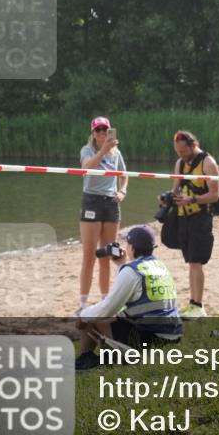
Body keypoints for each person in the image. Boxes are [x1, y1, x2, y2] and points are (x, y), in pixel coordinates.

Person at [75, 224, 182, 370]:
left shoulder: (132, 271)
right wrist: (120, 264)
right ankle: (98, 356)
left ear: (132, 247)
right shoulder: (160, 266)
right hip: (172, 334)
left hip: (151, 336)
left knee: (95, 317)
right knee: (111, 316)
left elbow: (107, 308)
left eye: (128, 244)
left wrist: (83, 316)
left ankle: (93, 359)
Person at [161, 130, 219, 319]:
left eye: (184, 152)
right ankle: (193, 303)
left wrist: (192, 199)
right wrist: (166, 198)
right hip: (182, 217)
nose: (182, 156)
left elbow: (214, 195)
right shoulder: (180, 163)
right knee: (191, 262)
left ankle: (198, 305)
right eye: (178, 153)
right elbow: (175, 188)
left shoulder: (208, 163)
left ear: (193, 145)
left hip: (201, 217)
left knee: (196, 261)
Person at [78, 116, 128, 310]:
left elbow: (125, 176)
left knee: (107, 255)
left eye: (105, 130)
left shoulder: (116, 153)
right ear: (93, 132)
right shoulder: (87, 150)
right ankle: (83, 304)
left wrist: (123, 191)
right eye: (98, 130)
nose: (101, 133)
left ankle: (106, 300)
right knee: (89, 256)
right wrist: (104, 150)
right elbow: (86, 168)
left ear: (109, 132)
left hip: (111, 203)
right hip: (91, 201)